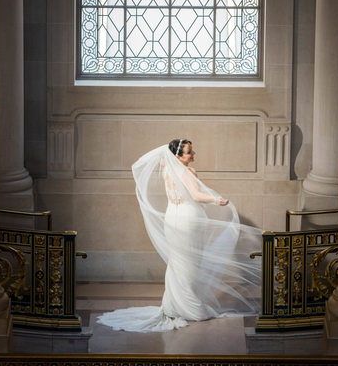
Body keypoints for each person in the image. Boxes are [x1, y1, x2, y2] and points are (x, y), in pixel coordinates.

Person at [97, 139, 262, 332]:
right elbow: (196, 196)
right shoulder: (186, 172)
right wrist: (217, 200)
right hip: (188, 221)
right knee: (190, 264)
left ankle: (174, 305)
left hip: (172, 219)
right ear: (178, 156)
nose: (193, 155)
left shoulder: (168, 169)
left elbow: (163, 163)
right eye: (189, 152)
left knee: (178, 262)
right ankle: (192, 308)